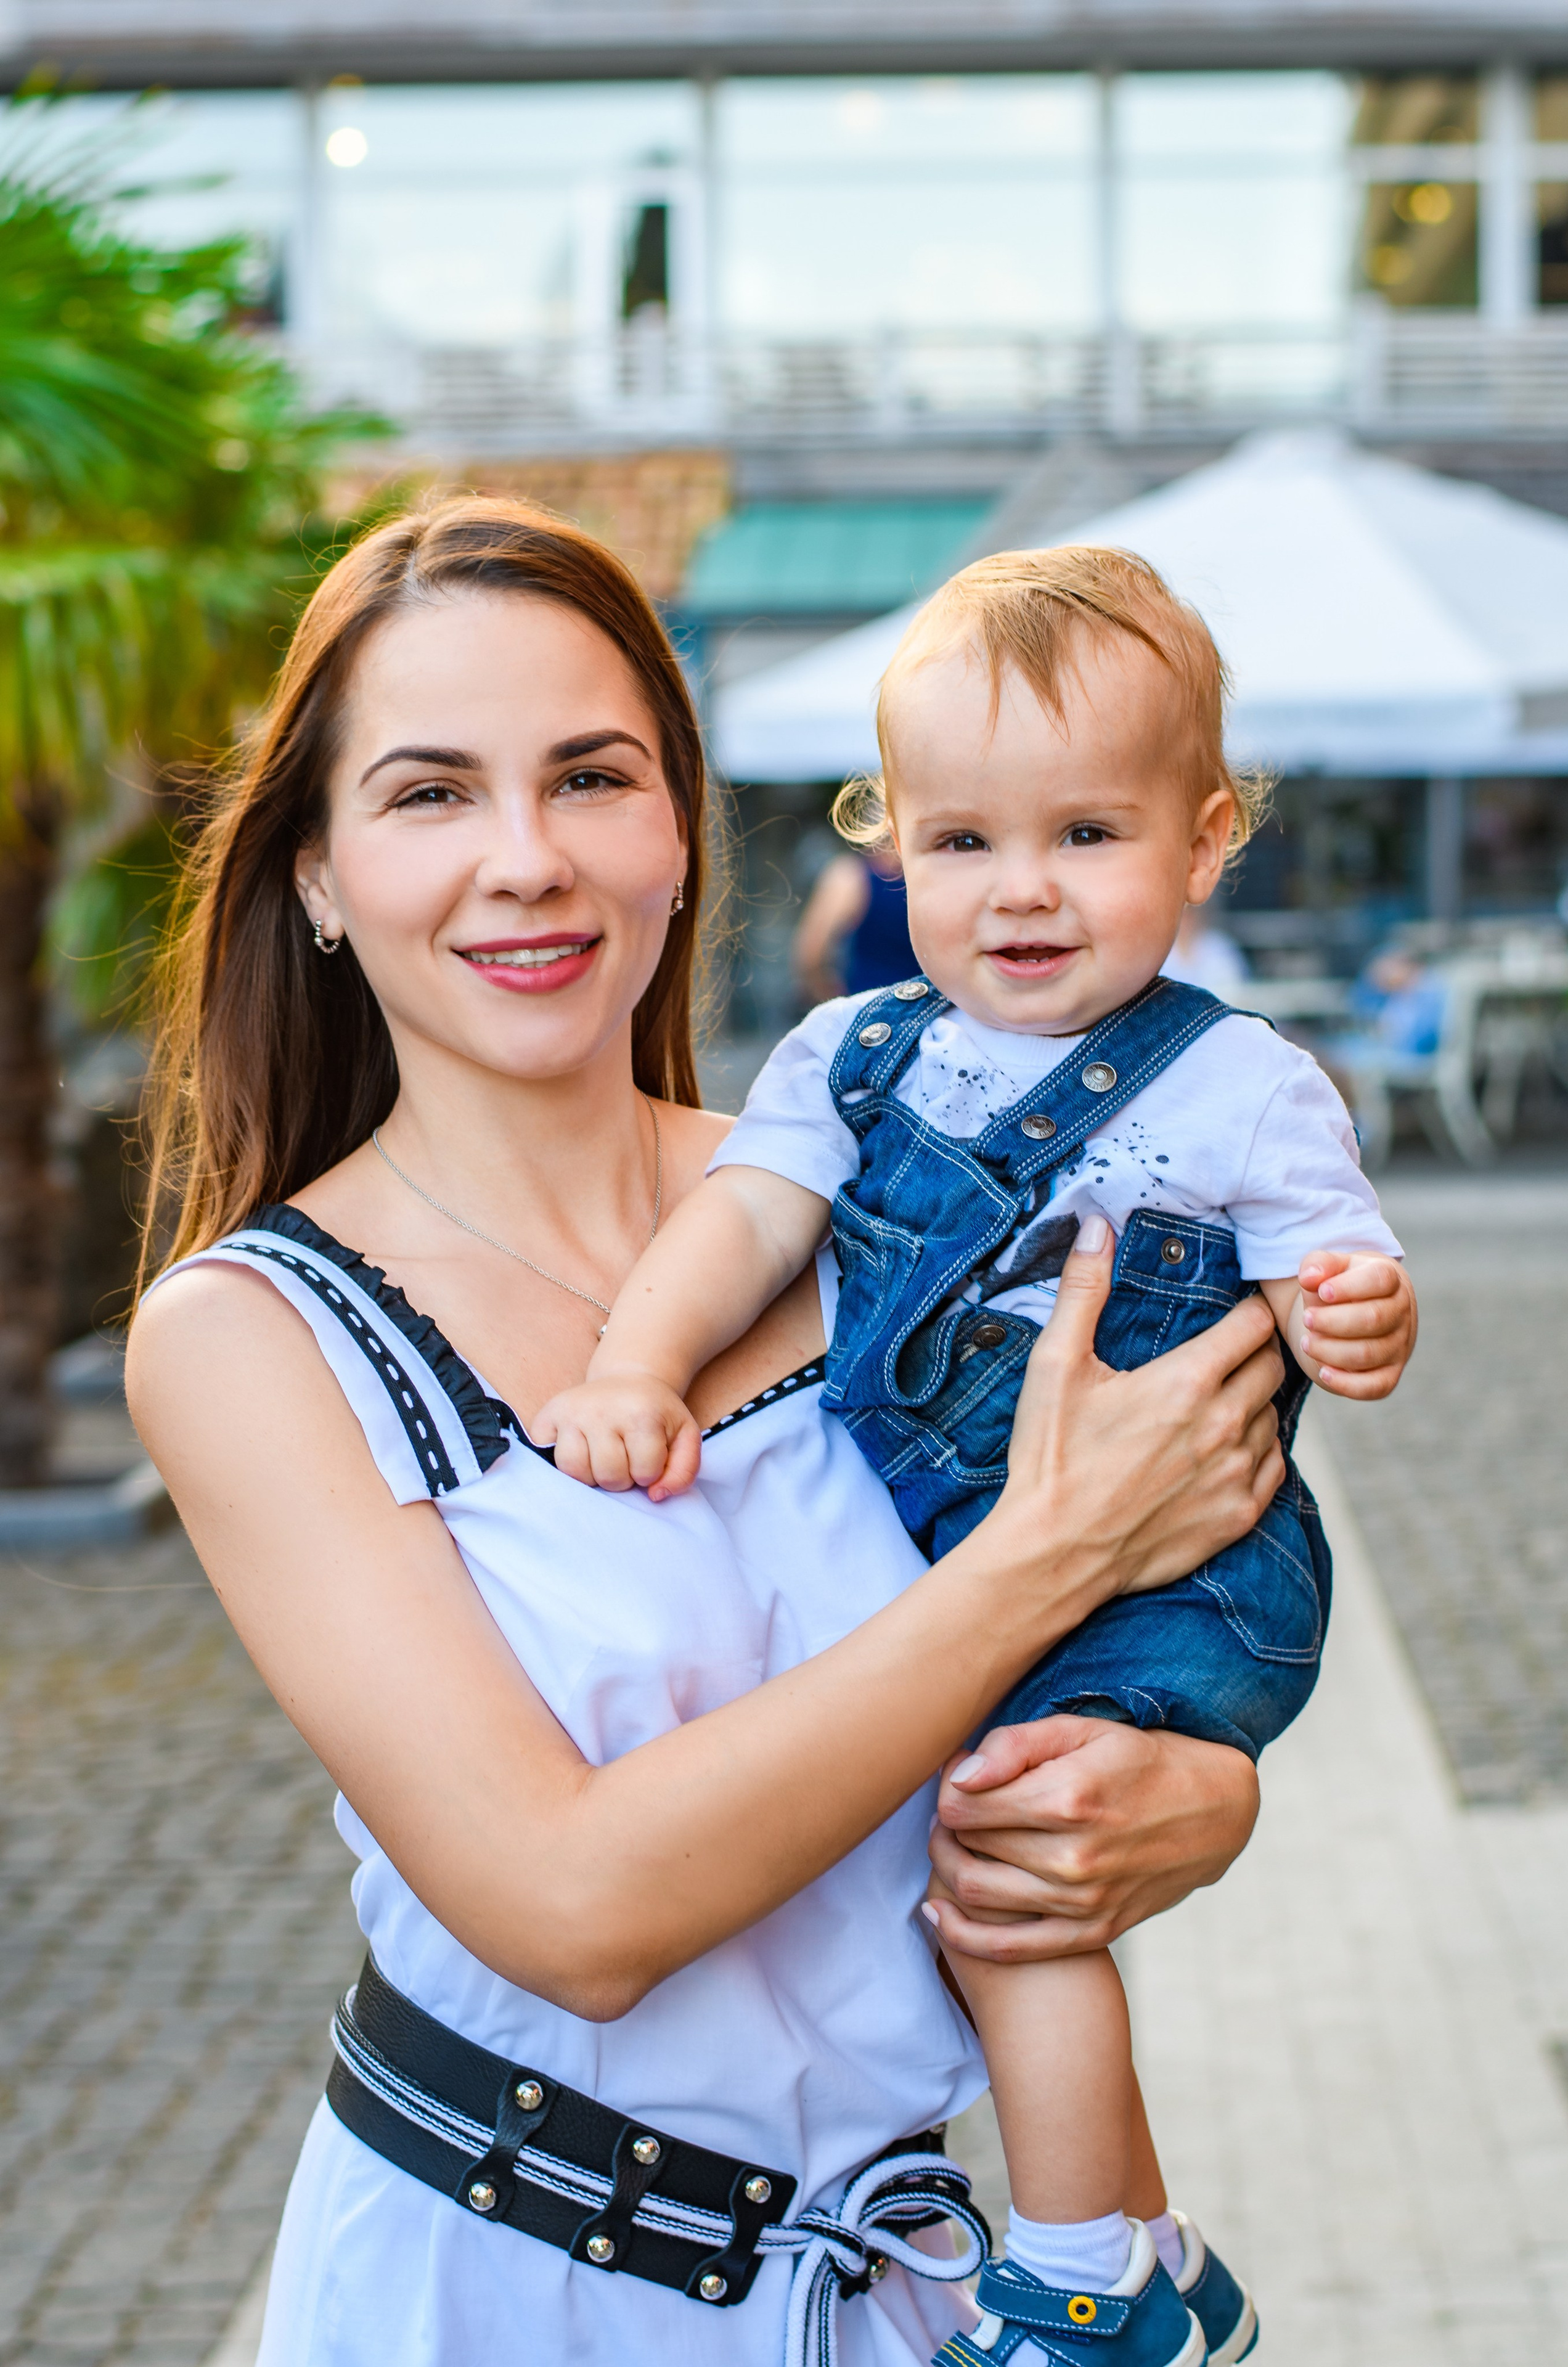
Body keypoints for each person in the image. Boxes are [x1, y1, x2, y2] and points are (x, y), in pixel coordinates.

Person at [126, 501, 1294, 2367]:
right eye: (430, 794)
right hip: (508, 2289)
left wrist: (1190, 1792)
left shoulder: (909, 1209)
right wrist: (1039, 1559)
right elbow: (570, 1901)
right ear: (320, 875)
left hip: (918, 2284)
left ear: (678, 826)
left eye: (591, 776)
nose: (527, 860)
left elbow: (1179, 1576)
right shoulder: (254, 1332)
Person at [536, 546, 1419, 2367]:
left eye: (1086, 835)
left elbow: (1338, 1264)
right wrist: (638, 1352)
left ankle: (1085, 2278)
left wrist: (1354, 1313)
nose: (1020, 891)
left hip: (1180, 1574)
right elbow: (746, 1220)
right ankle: (1157, 2245)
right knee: (969, 1895)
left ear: (1203, 835)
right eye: (959, 842)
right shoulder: (851, 1060)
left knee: (1003, 1895)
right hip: (981, 1562)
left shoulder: (1238, 1079)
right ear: (887, 848)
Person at [794, 844, 918, 1004]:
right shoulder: (853, 876)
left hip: (869, 1007)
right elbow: (812, 955)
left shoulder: (851, 876)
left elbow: (810, 954)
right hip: (928, 1009)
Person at [1161, 894, 1249, 1002]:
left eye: (1191, 912)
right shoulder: (1160, 950)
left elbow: (1236, 992)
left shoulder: (1220, 947)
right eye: (1182, 913)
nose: (1186, 919)